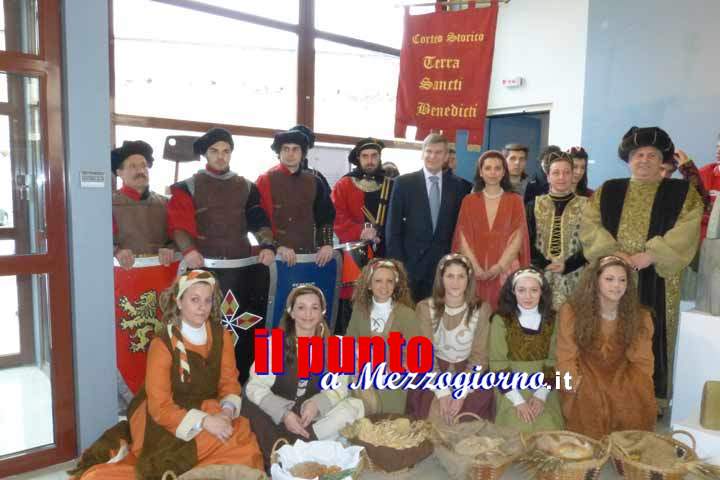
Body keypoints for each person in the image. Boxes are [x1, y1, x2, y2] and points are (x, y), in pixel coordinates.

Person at [70, 271, 264, 480]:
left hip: (212, 407)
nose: (202, 307)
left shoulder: (223, 335)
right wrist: (205, 421)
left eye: (207, 300)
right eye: (195, 300)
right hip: (169, 414)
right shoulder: (162, 344)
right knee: (204, 449)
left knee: (241, 443)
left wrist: (226, 413)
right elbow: (160, 406)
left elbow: (229, 382)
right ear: (179, 302)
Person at [579, 126, 703, 408]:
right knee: (607, 333)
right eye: (638, 154)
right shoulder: (609, 190)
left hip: (658, 276)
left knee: (653, 335)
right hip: (611, 273)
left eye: (652, 155)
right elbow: (589, 224)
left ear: (662, 161)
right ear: (629, 159)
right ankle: (603, 392)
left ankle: (650, 399)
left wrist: (651, 254)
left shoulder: (681, 193)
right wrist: (614, 253)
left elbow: (688, 228)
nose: (644, 160)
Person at [167, 127, 276, 383]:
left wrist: (267, 245)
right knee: (205, 326)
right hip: (205, 268)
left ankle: (241, 381)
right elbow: (179, 225)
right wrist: (189, 250)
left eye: (226, 151)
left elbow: (259, 220)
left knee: (240, 329)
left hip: (240, 273)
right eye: (215, 151)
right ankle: (201, 381)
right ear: (205, 154)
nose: (220, 156)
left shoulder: (246, 187)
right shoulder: (188, 186)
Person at [242, 285, 364, 470]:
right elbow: (255, 387)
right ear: (291, 312)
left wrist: (317, 404)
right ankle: (290, 452)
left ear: (322, 312)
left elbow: (339, 387)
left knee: (354, 407)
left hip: (310, 418)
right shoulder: (274, 345)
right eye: (301, 307)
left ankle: (305, 443)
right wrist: (284, 414)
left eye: (314, 308)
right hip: (276, 414)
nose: (308, 314)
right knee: (251, 406)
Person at [556, 256, 656, 439]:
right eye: (609, 279)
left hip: (620, 372)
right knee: (590, 396)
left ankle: (624, 447)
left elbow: (643, 361)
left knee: (633, 393)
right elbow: (565, 356)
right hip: (585, 370)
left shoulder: (640, 316)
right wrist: (569, 383)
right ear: (595, 281)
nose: (616, 285)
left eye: (622, 280)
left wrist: (642, 386)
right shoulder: (571, 311)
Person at [407, 254, 495, 425]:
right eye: (450, 276)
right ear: (441, 278)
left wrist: (461, 393)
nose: (456, 282)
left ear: (469, 279)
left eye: (461, 276)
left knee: (465, 420)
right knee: (434, 418)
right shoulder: (425, 308)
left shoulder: (482, 309)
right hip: (434, 372)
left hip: (469, 373)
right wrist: (442, 392)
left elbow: (480, 356)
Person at [387, 133, 472, 301]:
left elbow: (462, 229)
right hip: (410, 267)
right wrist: (398, 265)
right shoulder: (403, 183)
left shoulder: (461, 187)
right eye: (429, 151)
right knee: (407, 313)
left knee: (439, 313)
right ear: (422, 153)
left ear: (446, 156)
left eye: (438, 152)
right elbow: (392, 228)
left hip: (445, 268)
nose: (433, 156)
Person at [489, 267, 564, 432]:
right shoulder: (501, 319)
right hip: (510, 387)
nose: (528, 296)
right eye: (521, 290)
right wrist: (518, 401)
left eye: (534, 290)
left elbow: (554, 360)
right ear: (513, 291)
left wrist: (541, 395)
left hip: (545, 385)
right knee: (518, 430)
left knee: (548, 429)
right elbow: (498, 362)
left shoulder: (552, 319)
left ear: (541, 292)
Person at [453, 150, 530, 309]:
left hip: (506, 269)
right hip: (474, 268)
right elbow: (462, 237)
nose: (493, 173)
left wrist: (499, 267)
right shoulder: (469, 201)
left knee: (503, 314)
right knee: (475, 313)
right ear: (480, 172)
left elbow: (518, 238)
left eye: (497, 168)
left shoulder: (515, 201)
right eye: (488, 168)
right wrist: (475, 267)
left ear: (504, 172)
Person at [331, 138, 394, 334]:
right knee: (352, 306)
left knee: (383, 303)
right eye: (365, 156)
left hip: (385, 253)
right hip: (353, 257)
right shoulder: (344, 184)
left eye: (374, 156)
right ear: (358, 159)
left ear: (380, 158)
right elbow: (336, 216)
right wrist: (360, 231)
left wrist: (381, 233)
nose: (370, 160)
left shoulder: (392, 185)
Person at [345, 258, 420, 414]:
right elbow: (349, 344)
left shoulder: (407, 314)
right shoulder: (359, 311)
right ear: (369, 284)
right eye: (378, 281)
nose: (384, 286)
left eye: (389, 281)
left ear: (396, 284)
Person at [256, 128, 335, 267]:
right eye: (285, 149)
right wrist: (275, 246)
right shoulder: (265, 180)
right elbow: (259, 220)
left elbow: (325, 216)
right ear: (279, 152)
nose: (290, 154)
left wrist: (326, 244)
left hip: (310, 256)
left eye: (295, 149)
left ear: (302, 153)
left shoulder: (315, 181)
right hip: (276, 257)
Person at [527, 151, 588, 308]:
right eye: (556, 173)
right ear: (548, 177)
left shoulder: (587, 205)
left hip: (576, 275)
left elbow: (592, 243)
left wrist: (569, 264)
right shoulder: (533, 205)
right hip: (539, 275)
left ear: (572, 175)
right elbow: (525, 241)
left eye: (566, 172)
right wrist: (544, 263)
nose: (561, 177)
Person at [111, 140, 174, 269]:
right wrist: (116, 251)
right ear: (119, 172)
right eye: (133, 166)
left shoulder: (165, 203)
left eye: (144, 165)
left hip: (162, 272)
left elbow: (177, 235)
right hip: (123, 274)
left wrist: (171, 248)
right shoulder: (108, 204)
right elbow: (98, 239)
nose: (140, 170)